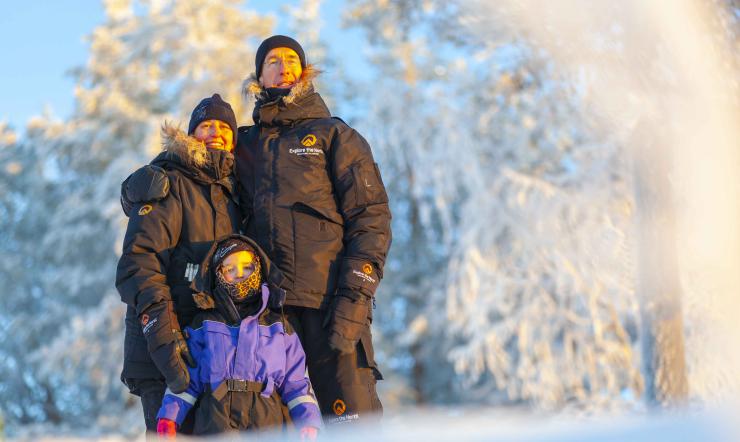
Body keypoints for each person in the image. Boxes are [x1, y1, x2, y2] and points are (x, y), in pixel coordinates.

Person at [123, 35, 392, 425]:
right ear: (259, 75)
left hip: (329, 305)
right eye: (272, 60)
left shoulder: (336, 136)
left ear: (304, 70)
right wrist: (137, 186)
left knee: (353, 424)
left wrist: (356, 295)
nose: (283, 65)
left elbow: (371, 217)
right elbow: (190, 167)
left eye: (290, 58)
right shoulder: (245, 144)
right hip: (259, 319)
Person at [116, 94, 247, 433]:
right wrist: (166, 338)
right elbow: (140, 264)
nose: (215, 132)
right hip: (164, 351)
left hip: (213, 354)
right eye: (205, 125)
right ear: (191, 134)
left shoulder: (236, 194)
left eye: (223, 127)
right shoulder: (168, 183)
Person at [155, 235, 321, 439]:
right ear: (218, 275)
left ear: (258, 268)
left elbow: (297, 384)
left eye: (246, 267)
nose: (239, 274)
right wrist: (169, 418)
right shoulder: (203, 325)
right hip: (215, 419)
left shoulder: (280, 327)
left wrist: (309, 423)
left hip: (267, 420)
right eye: (230, 269)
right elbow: (187, 379)